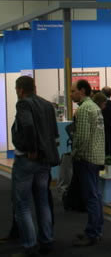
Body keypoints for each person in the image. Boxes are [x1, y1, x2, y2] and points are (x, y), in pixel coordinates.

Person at [11, 75, 60, 257]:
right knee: (43, 201)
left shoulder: (23, 104)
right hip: (45, 161)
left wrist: (32, 148)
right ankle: (46, 240)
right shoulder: (47, 105)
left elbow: (28, 126)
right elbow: (53, 132)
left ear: (20, 90)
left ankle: (29, 245)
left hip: (27, 159)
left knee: (23, 205)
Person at [70, 79, 105, 247]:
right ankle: (96, 229)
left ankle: (92, 233)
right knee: (96, 195)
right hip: (96, 156)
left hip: (86, 158)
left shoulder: (84, 109)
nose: (71, 94)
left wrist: (75, 153)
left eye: (73, 91)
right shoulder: (95, 107)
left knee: (91, 196)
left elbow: (82, 137)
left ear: (82, 90)